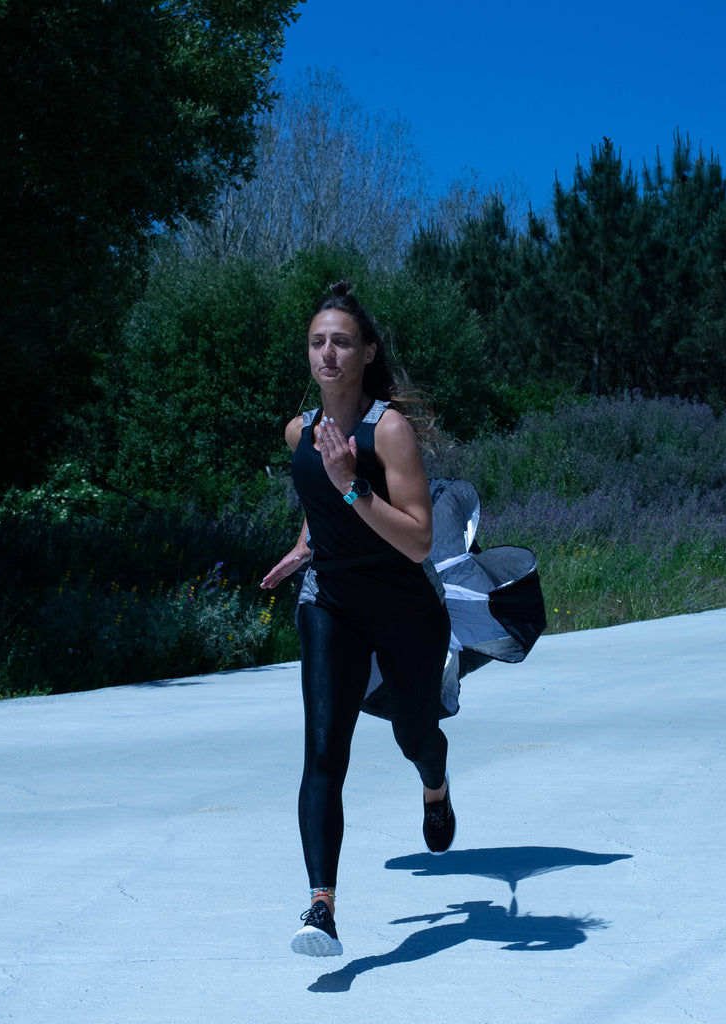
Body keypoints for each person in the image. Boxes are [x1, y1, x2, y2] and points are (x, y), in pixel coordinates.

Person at [260, 280, 455, 959]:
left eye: (342, 341)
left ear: (367, 352)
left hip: (403, 606)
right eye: (318, 342)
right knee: (322, 752)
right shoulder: (299, 432)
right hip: (330, 603)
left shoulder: (388, 430)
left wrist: (352, 484)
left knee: (414, 734)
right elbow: (318, 511)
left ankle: (435, 783)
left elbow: (418, 540)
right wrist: (299, 551)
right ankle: (321, 908)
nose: (328, 353)